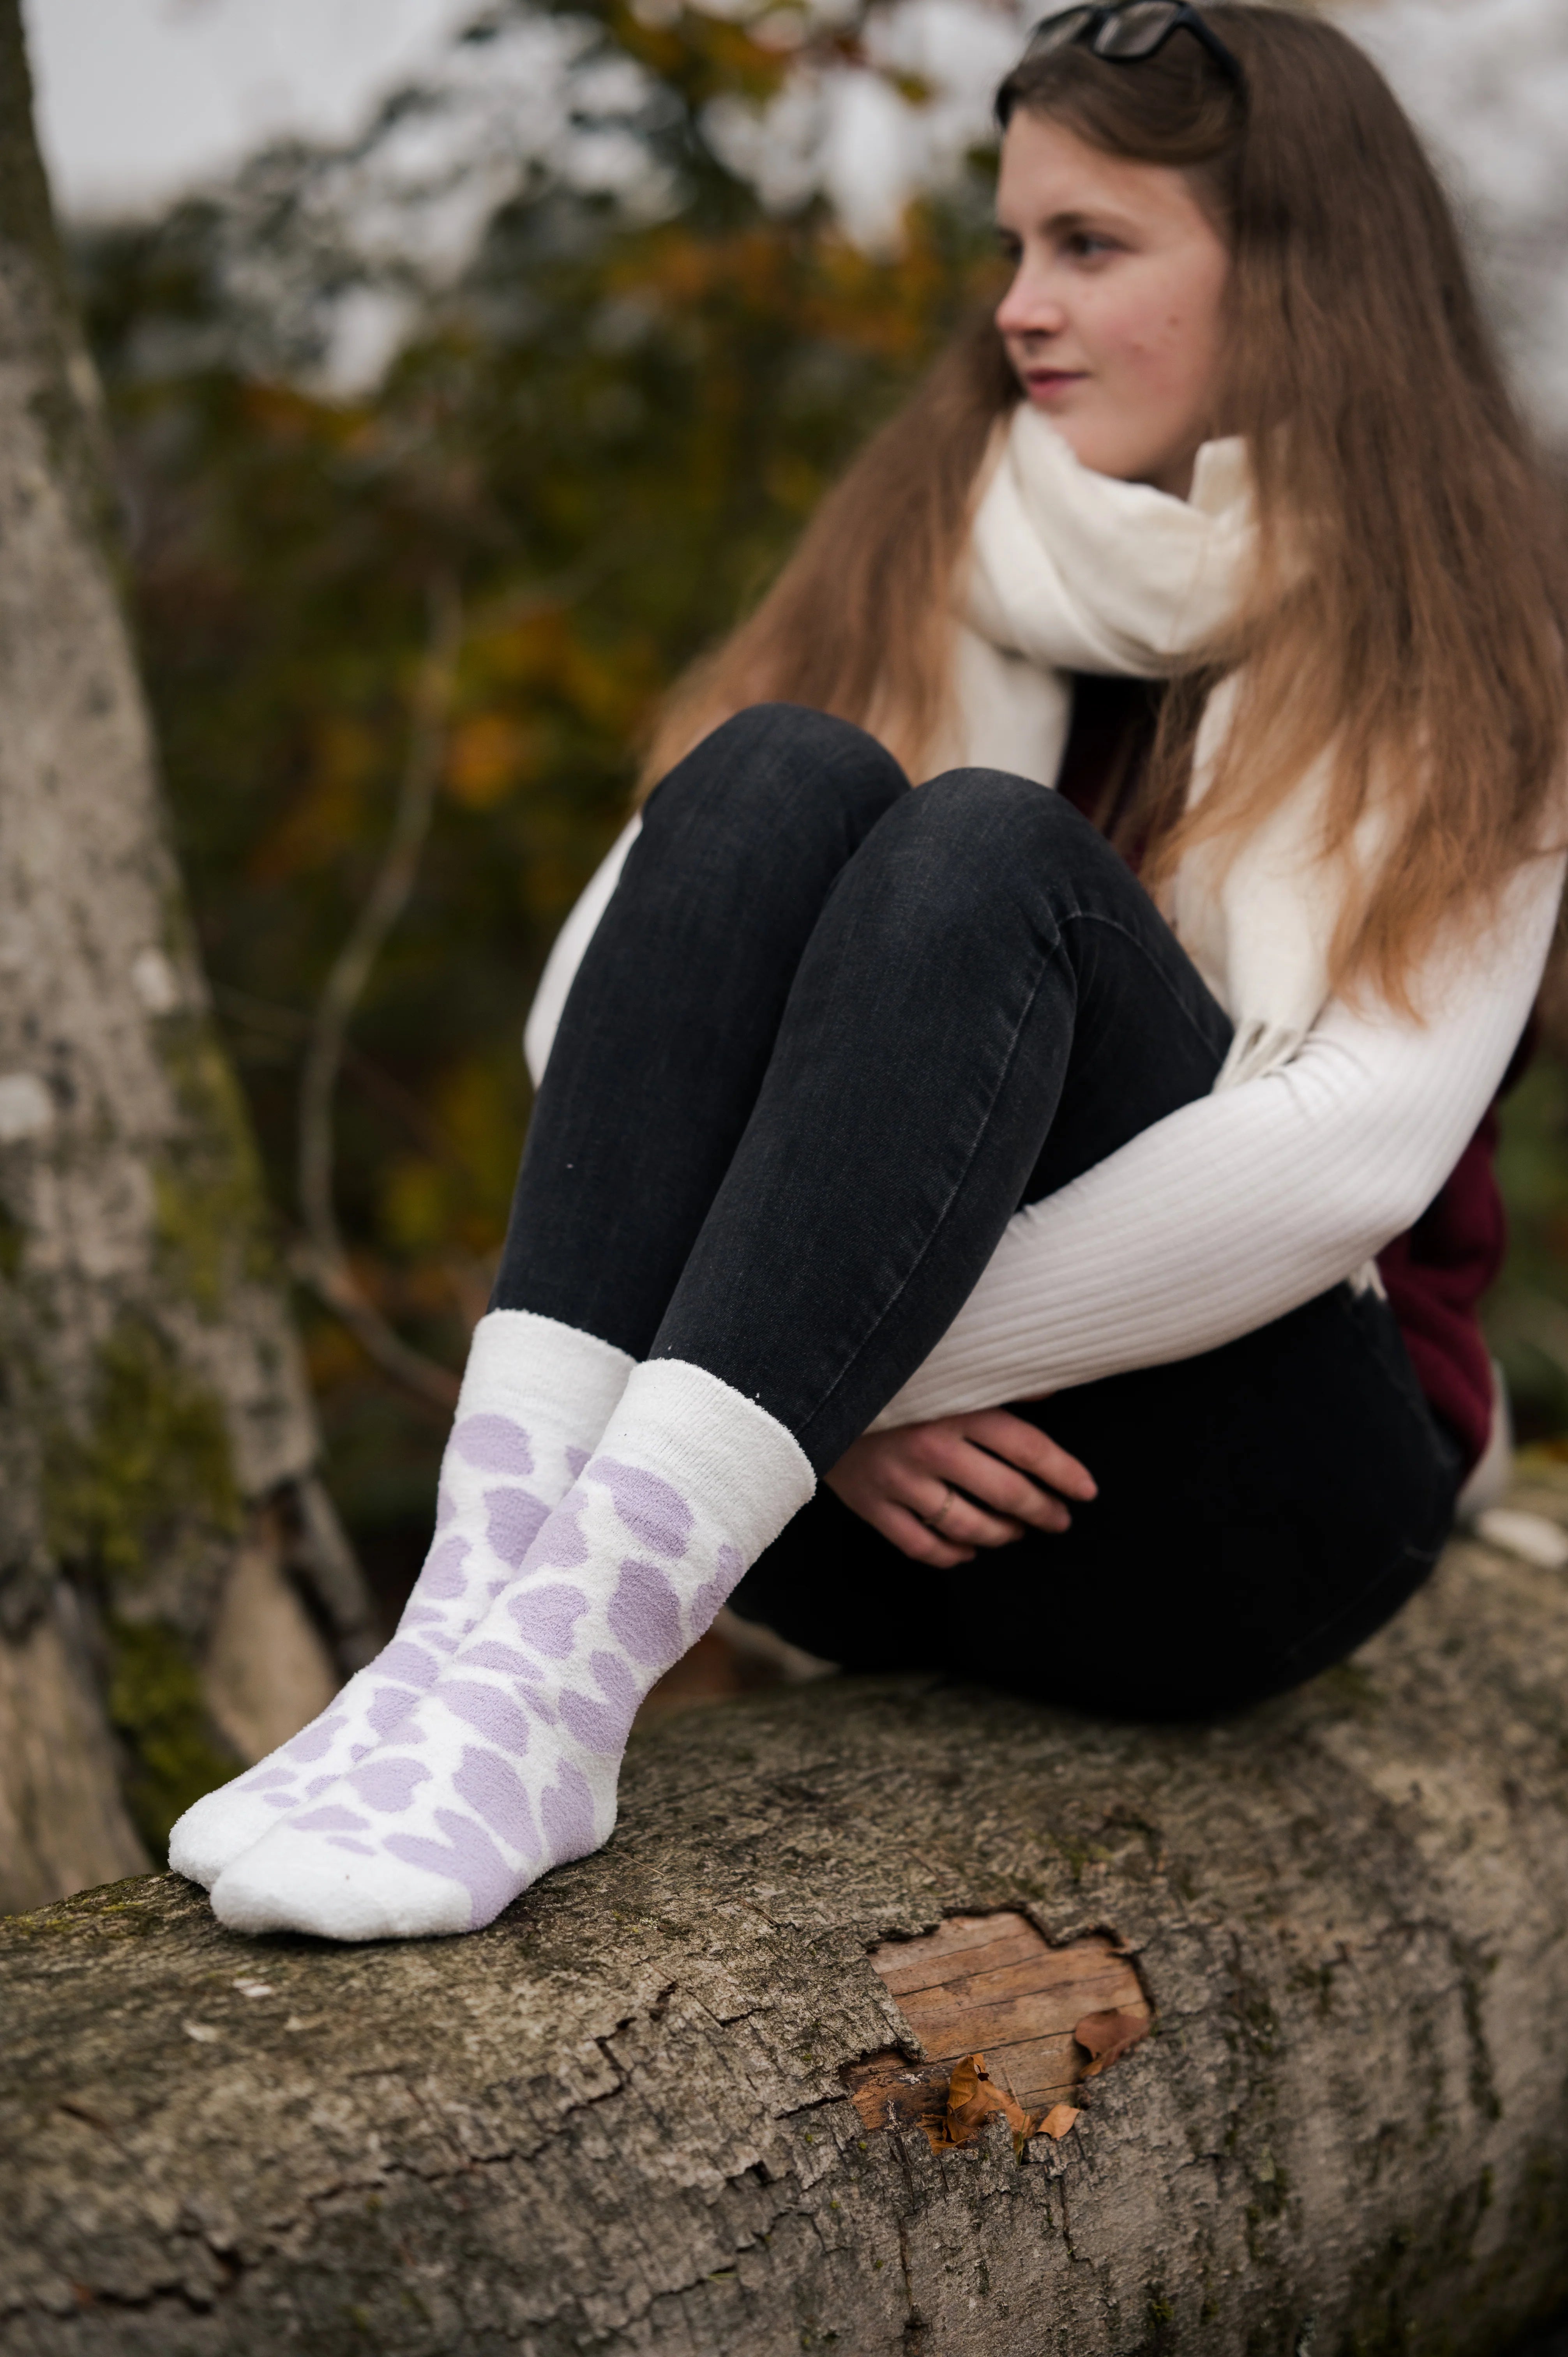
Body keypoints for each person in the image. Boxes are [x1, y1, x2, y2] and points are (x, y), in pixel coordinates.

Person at [173, 2, 1568, 1942]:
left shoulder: (1475, 617)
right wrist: (825, 1407)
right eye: (1010, 247)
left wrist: (837, 1357)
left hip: (1240, 1510)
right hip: (816, 1515)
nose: (1017, 305)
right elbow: (606, 1006)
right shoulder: (945, 526)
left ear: (1296, 275)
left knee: (986, 848)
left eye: (1089, 246)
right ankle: (485, 1654)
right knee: (776, 775)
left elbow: (1346, 1158)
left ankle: (539, 1651)